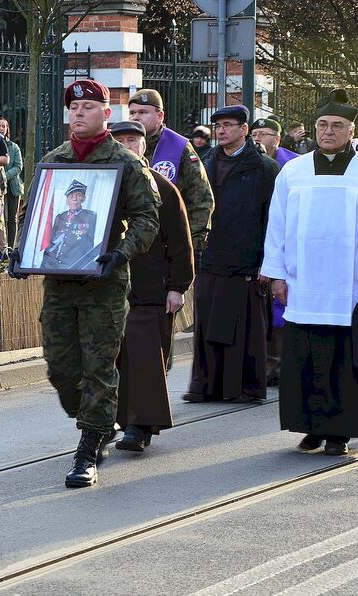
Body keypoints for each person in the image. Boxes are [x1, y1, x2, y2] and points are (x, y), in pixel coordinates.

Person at [8, 79, 160, 488]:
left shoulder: (125, 162)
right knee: (60, 367)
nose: (79, 112)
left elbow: (148, 218)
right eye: (74, 107)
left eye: (89, 107)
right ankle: (96, 419)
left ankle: (90, 445)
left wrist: (121, 252)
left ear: (105, 114)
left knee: (98, 367)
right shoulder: (54, 161)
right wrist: (23, 253)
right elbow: (32, 215)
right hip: (59, 283)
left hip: (103, 284)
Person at [262, 88, 358, 455]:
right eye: (322, 125)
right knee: (307, 360)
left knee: (343, 363)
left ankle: (339, 432)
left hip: (352, 286)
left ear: (350, 130)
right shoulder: (293, 171)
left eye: (337, 126)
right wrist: (276, 273)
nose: (328, 131)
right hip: (304, 285)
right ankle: (311, 426)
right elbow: (277, 225)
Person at [184, 105, 278, 404]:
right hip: (210, 256)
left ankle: (245, 388)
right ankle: (205, 386)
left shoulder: (263, 167)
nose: (221, 130)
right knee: (208, 322)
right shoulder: (205, 161)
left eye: (228, 125)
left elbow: (273, 218)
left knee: (244, 326)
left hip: (246, 258)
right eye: (218, 125)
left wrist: (268, 261)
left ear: (243, 129)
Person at [110, 120, 194, 451]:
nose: (128, 146)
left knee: (144, 360)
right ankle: (110, 421)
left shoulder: (163, 187)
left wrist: (178, 286)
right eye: (121, 140)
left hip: (150, 290)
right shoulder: (105, 186)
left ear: (145, 146)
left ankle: (139, 426)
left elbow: (180, 241)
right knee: (113, 360)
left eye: (134, 140)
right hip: (111, 290)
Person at [128, 88, 214, 258]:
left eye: (143, 112)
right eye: (132, 112)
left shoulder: (179, 147)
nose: (136, 117)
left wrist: (191, 244)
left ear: (160, 116)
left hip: (167, 246)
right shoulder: (122, 145)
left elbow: (201, 198)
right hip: (131, 245)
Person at [251, 117, 300, 386]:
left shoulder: (292, 164)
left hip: (286, 242)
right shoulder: (252, 161)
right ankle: (268, 365)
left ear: (277, 139)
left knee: (282, 304)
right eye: (254, 133)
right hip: (257, 239)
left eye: (264, 133)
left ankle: (284, 364)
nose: (258, 138)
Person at [40, 179, 97, 269]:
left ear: (84, 198)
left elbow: (88, 244)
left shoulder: (90, 216)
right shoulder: (60, 216)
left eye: (78, 195)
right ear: (67, 200)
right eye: (71, 196)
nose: (74, 199)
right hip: (56, 263)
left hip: (75, 264)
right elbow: (52, 241)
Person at [0, 116, 24, 248]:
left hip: (13, 187)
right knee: (1, 218)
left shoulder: (14, 147)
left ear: (7, 129)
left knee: (13, 219)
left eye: (3, 126)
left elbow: (18, 166)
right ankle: (1, 248)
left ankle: (12, 247)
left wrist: (4, 176)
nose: (1, 128)